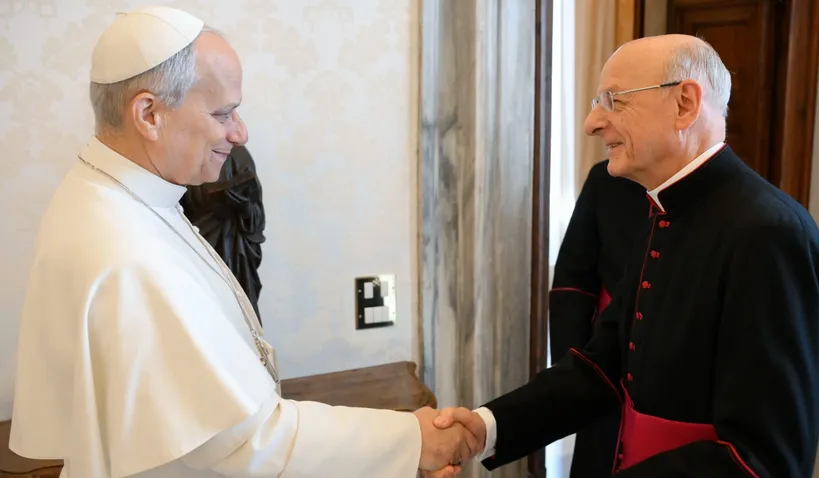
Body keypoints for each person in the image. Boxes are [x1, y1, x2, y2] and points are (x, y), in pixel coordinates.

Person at [10, 6, 480, 478]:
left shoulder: (117, 196)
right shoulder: (125, 249)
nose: (240, 132)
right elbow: (247, 443)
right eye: (223, 113)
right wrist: (413, 440)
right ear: (149, 113)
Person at [428, 34, 819, 478]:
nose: (592, 123)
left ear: (684, 104)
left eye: (614, 100)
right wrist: (486, 427)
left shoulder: (770, 234)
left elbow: (764, 460)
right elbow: (602, 366)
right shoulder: (663, 210)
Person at [549, 159, 646, 478]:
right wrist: (572, 371)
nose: (595, 132)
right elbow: (572, 282)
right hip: (606, 362)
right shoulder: (605, 180)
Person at [181, 145, 266, 324]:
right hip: (198, 246)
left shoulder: (239, 155)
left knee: (240, 315)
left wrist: (242, 205)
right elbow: (175, 207)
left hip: (237, 252)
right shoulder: (185, 153)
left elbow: (257, 216)